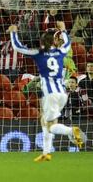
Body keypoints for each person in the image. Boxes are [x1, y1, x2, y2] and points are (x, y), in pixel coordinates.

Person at [9, 22, 86, 162]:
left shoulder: (39, 53)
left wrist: (13, 32)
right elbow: (68, 41)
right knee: (45, 120)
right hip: (62, 93)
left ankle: (71, 131)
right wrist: (63, 30)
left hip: (51, 95)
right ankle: (46, 152)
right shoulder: (61, 51)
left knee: (50, 126)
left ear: (43, 42)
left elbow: (17, 47)